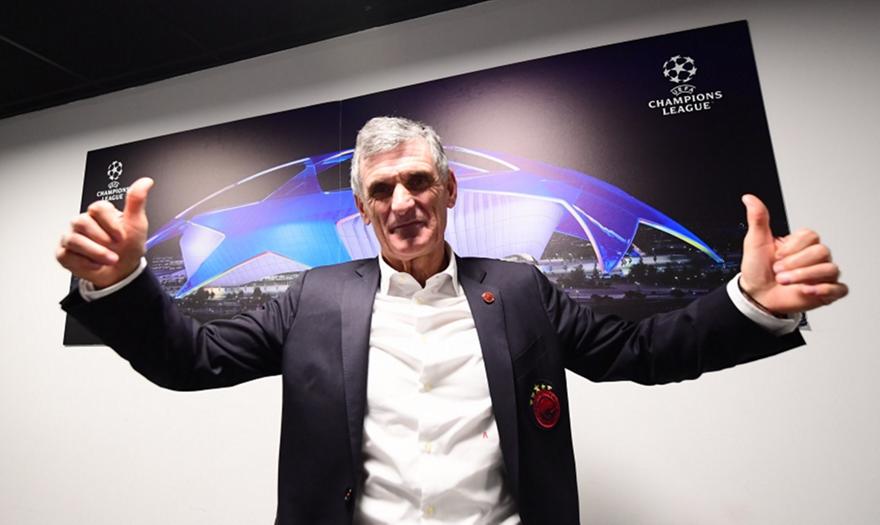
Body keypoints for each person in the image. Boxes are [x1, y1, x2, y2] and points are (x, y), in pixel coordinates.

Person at [57, 117, 847, 525]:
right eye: (381, 190)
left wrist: (748, 305)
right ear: (362, 207)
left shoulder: (521, 289)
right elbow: (190, 357)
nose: (402, 202)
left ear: (450, 189)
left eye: (417, 181)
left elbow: (640, 349)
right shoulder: (312, 296)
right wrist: (122, 282)